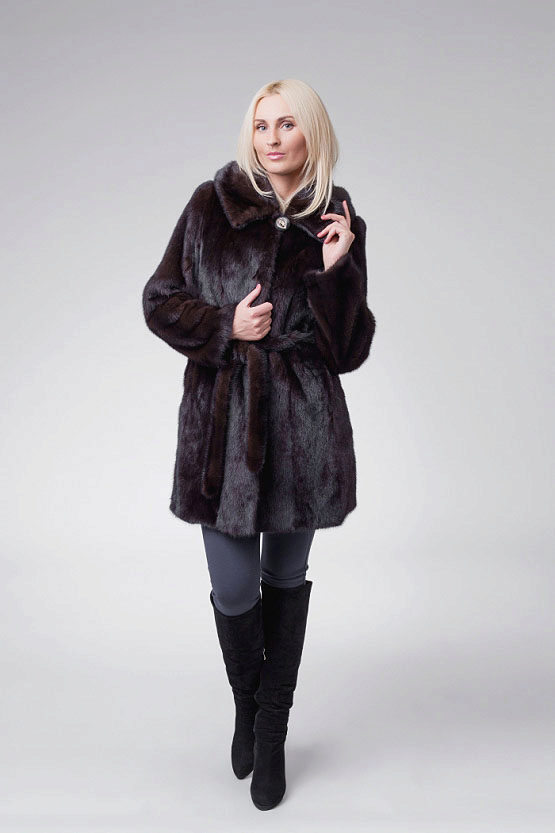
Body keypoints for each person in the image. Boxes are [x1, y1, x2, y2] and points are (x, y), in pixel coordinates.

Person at [142, 78, 377, 811]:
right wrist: (224, 327)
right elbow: (159, 298)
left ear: (311, 134)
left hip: (303, 426)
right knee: (235, 587)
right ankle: (247, 702)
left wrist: (336, 271)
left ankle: (271, 730)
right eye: (261, 125)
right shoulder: (209, 205)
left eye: (287, 125)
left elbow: (348, 350)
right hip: (223, 426)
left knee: (285, 577)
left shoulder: (337, 218)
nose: (272, 138)